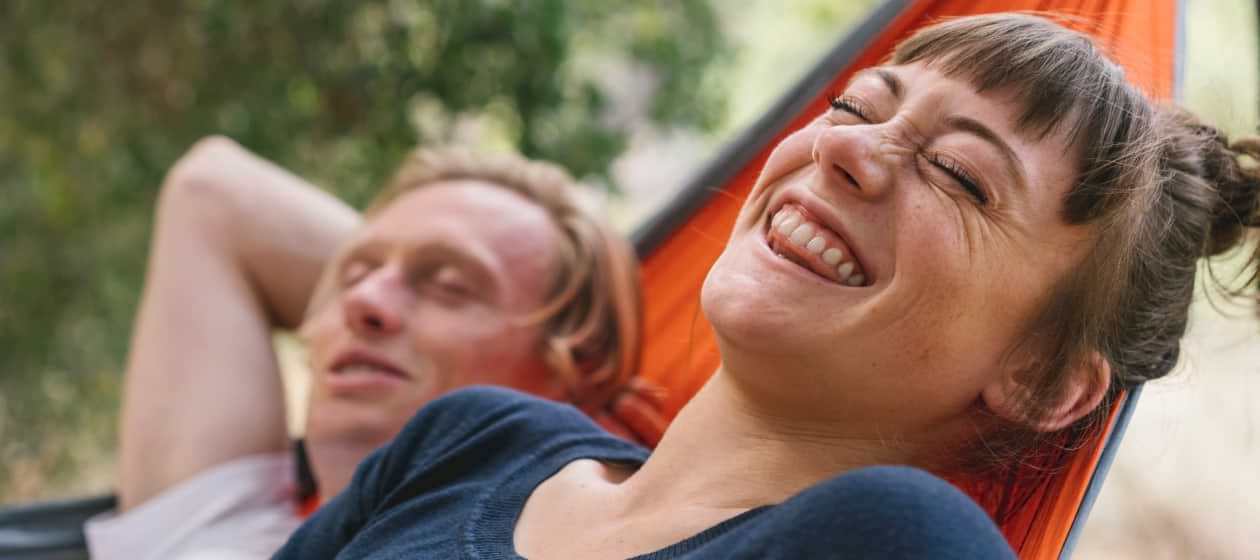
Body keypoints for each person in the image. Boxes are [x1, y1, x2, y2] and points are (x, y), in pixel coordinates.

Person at [274, 13, 1260, 559]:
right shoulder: (472, 435)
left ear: (1044, 379)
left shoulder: (890, 544)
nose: (846, 151)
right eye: (855, 105)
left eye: (962, 176)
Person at [84, 140, 657, 559]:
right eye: (351, 277)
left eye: (451, 287)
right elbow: (210, 192)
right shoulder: (215, 540)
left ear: (575, 368)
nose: (362, 304)